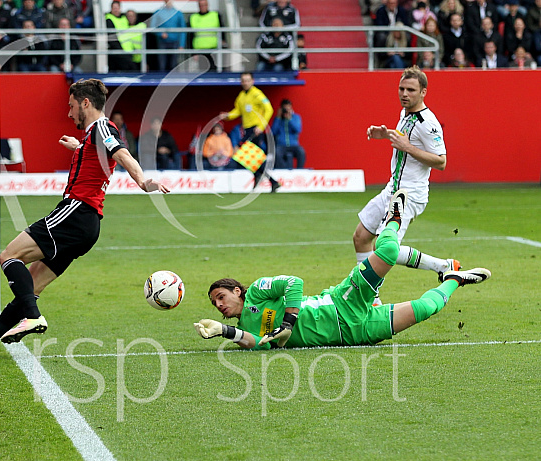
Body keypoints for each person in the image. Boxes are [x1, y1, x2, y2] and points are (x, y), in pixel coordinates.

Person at [0, 79, 169, 356]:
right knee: (31, 283)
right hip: (88, 226)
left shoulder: (102, 127)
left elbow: (121, 154)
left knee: (8, 257)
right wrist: (80, 147)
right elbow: (100, 157)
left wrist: (142, 181)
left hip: (75, 212)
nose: (69, 113)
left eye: (72, 106)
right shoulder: (93, 135)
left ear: (85, 103)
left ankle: (32, 316)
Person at [194, 190, 492, 350]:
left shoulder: (258, 290)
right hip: (355, 334)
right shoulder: (245, 328)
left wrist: (287, 323)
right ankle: (452, 277)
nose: (219, 305)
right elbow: (254, 343)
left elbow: (294, 284)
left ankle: (392, 218)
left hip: (342, 303)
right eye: (214, 304)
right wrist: (223, 331)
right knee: (427, 308)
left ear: (237, 290)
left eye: (220, 296)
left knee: (386, 250)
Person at [356, 66, 458, 305]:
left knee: (385, 248)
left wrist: (408, 148)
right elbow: (404, 139)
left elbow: (441, 161)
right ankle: (371, 296)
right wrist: (385, 135)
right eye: (401, 88)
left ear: (423, 92)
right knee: (361, 236)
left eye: (410, 90)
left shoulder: (428, 123)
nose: (404, 94)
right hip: (393, 189)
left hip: (409, 195)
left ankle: (443, 266)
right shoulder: (406, 113)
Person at [219, 72, 280, 192]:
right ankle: (267, 179)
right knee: (248, 158)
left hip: (255, 129)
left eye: (247, 80)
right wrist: (228, 115)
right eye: (243, 80)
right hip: (247, 129)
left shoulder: (257, 94)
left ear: (252, 81)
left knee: (242, 154)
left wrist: (261, 126)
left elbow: (269, 109)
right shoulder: (241, 96)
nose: (245, 83)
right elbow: (238, 111)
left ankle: (267, 178)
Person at [152, 0, 187, 71]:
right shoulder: (158, 12)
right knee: (162, 65)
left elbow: (183, 30)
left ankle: (173, 81)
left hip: (175, 42)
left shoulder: (178, 13)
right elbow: (153, 27)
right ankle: (161, 80)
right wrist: (160, 33)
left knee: (173, 65)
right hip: (162, 42)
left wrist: (181, 45)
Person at [188, 0, 223, 71]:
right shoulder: (193, 17)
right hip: (200, 49)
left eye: (204, 5)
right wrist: (193, 53)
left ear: (207, 5)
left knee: (214, 70)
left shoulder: (215, 15)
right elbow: (190, 36)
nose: (202, 7)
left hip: (214, 48)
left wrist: (223, 41)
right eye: (201, 5)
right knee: (202, 71)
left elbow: (222, 29)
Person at [271, 98, 305, 169]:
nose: (286, 111)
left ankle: (299, 170)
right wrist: (278, 117)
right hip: (281, 145)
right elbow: (273, 131)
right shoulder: (278, 119)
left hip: (294, 145)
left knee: (301, 152)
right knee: (276, 153)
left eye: (288, 108)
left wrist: (290, 119)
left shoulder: (296, 117)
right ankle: (283, 170)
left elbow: (298, 129)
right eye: (285, 109)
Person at [105, 1, 137, 71]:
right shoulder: (109, 19)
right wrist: (121, 51)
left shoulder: (124, 18)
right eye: (114, 8)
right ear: (111, 9)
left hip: (128, 51)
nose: (116, 10)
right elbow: (112, 38)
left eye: (117, 8)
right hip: (118, 52)